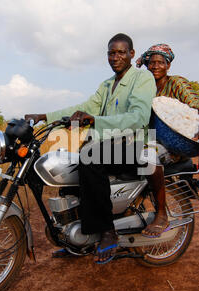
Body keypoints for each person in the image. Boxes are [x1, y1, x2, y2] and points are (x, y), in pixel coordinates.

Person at [24, 33, 156, 263]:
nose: (115, 57)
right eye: (111, 53)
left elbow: (138, 117)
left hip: (133, 146)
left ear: (131, 54)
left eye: (120, 52)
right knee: (71, 168)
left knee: (90, 157)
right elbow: (84, 107)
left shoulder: (142, 79)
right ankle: (78, 237)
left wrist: (94, 120)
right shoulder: (106, 85)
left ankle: (107, 232)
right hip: (106, 146)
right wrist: (45, 116)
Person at [136, 43, 199, 237]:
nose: (155, 66)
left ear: (168, 65)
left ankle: (161, 214)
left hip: (172, 145)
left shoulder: (176, 83)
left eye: (160, 63)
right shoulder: (146, 88)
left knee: (147, 156)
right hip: (150, 138)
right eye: (151, 63)